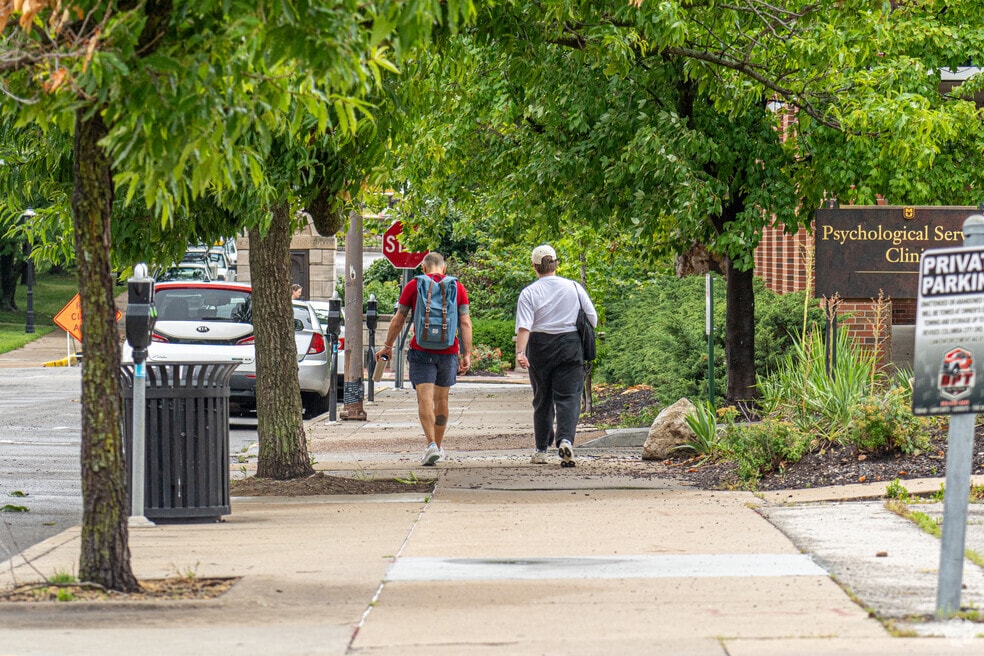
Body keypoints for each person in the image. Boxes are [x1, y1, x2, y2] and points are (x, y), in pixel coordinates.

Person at [376, 252, 472, 466]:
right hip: (448, 351)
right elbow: (465, 322)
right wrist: (466, 354)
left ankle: (430, 446)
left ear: (424, 269)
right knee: (442, 400)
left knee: (424, 399)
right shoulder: (457, 287)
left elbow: (399, 318)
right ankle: (438, 445)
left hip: (421, 350)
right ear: (444, 269)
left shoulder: (414, 285)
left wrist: (388, 345)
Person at [515, 244, 597, 466]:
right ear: (556, 264)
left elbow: (524, 326)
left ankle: (541, 449)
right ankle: (566, 440)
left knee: (542, 398)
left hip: (540, 346)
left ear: (534, 267)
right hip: (570, 345)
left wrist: (520, 352)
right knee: (569, 397)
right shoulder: (574, 287)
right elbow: (592, 318)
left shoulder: (529, 293)